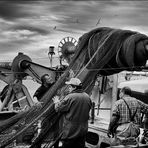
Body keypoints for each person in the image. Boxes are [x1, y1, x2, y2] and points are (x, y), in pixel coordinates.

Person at [53, 77, 92, 148]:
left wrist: (56, 102)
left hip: (71, 132)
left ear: (74, 87)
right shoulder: (87, 96)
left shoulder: (70, 97)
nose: (69, 88)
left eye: (70, 87)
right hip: (83, 131)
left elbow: (58, 109)